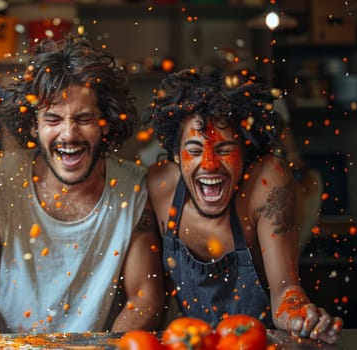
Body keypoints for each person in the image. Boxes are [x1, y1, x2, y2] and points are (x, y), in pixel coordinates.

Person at [0, 34, 166, 334]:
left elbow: (145, 297)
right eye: (53, 119)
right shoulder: (6, 178)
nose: (69, 134)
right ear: (33, 124)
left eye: (84, 118)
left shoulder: (131, 188)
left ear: (105, 122)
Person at [143, 68, 342, 343]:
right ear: (176, 156)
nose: (210, 165)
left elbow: (285, 289)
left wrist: (300, 315)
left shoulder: (266, 180)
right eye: (195, 150)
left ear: (246, 152)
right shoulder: (158, 185)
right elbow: (147, 298)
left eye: (224, 150)